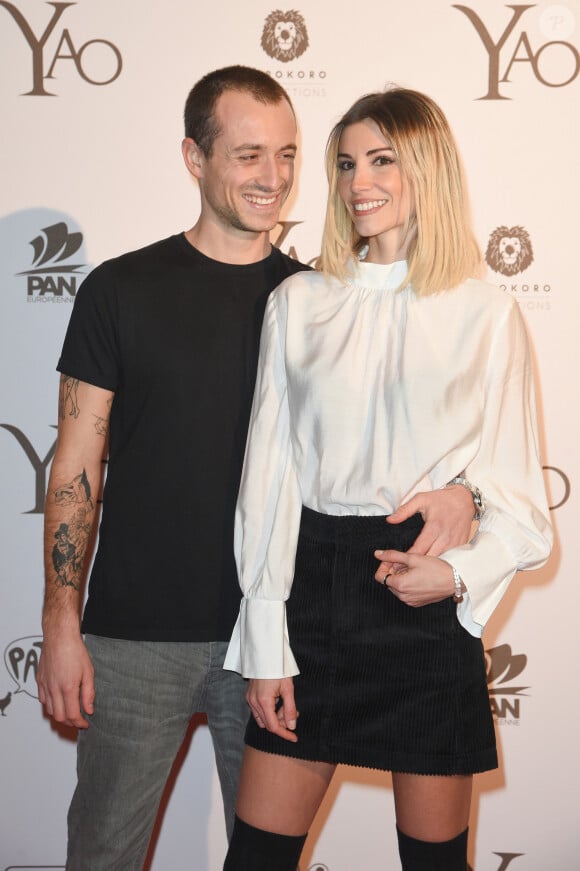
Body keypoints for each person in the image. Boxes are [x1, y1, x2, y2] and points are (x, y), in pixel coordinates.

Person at [36, 68, 475, 870]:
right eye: (246, 155)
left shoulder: (321, 299)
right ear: (193, 158)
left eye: (286, 155)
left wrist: (468, 494)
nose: (271, 177)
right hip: (134, 640)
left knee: (264, 858)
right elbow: (74, 467)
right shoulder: (118, 290)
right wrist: (61, 625)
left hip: (280, 638)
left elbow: (408, 446)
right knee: (100, 854)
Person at [222, 87, 553, 871]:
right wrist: (267, 642)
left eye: (380, 160)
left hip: (425, 616)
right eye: (344, 163)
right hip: (314, 600)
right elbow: (268, 485)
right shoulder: (297, 302)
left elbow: (522, 510)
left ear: (426, 169)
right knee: (256, 861)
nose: (357, 181)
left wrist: (455, 572)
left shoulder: (486, 314)